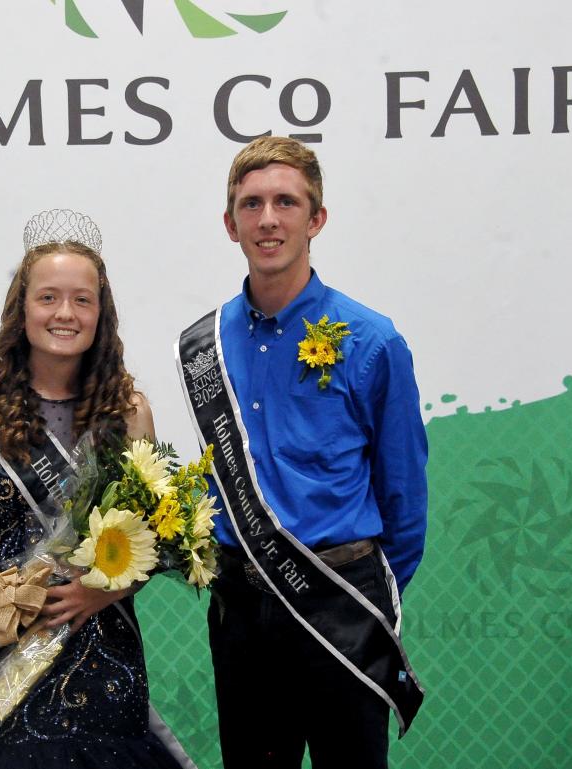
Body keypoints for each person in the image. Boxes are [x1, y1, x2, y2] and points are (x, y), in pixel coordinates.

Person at [175, 137, 428, 768]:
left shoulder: (372, 340)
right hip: (241, 616)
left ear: (316, 219)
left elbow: (404, 500)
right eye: (251, 203)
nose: (268, 219)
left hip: (342, 604)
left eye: (286, 202)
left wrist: (362, 599)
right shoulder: (204, 343)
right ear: (229, 223)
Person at [0, 210, 192, 768]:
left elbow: (159, 539)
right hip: (0, 661)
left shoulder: (131, 413)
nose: (65, 313)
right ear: (21, 310)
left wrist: (105, 592)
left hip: (105, 665)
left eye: (82, 299)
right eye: (48, 297)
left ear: (102, 313)